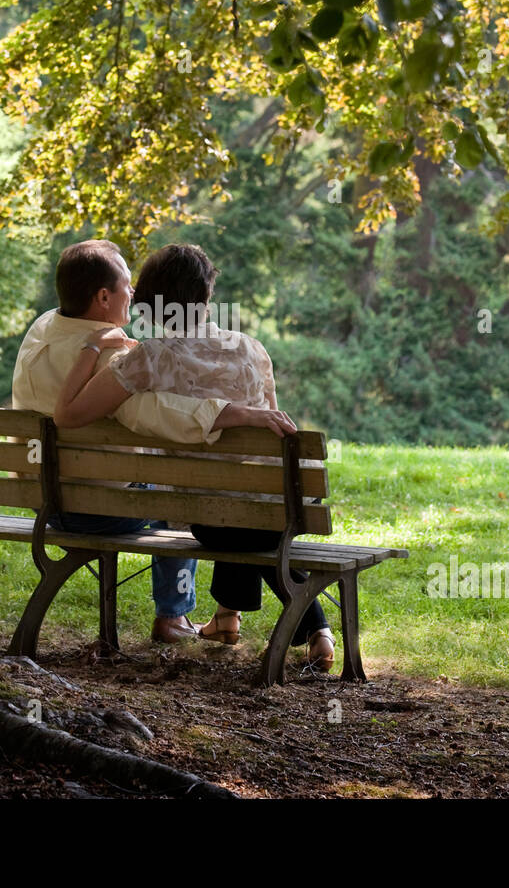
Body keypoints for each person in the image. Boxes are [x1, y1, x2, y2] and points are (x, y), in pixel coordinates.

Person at [52, 243, 335, 672]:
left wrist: (93, 347)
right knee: (245, 506)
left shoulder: (146, 358)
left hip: (204, 514)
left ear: (152, 300)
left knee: (226, 509)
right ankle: (305, 626)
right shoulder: (252, 349)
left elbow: (68, 414)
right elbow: (276, 433)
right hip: (271, 506)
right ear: (205, 298)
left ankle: (239, 619)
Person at [11, 239, 278, 644]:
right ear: (103, 296)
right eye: (125, 286)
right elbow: (158, 418)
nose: (133, 294)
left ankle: (221, 614)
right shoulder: (109, 360)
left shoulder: (42, 328)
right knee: (167, 476)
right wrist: (229, 412)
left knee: (157, 474)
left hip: (41, 499)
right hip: (95, 509)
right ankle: (172, 616)